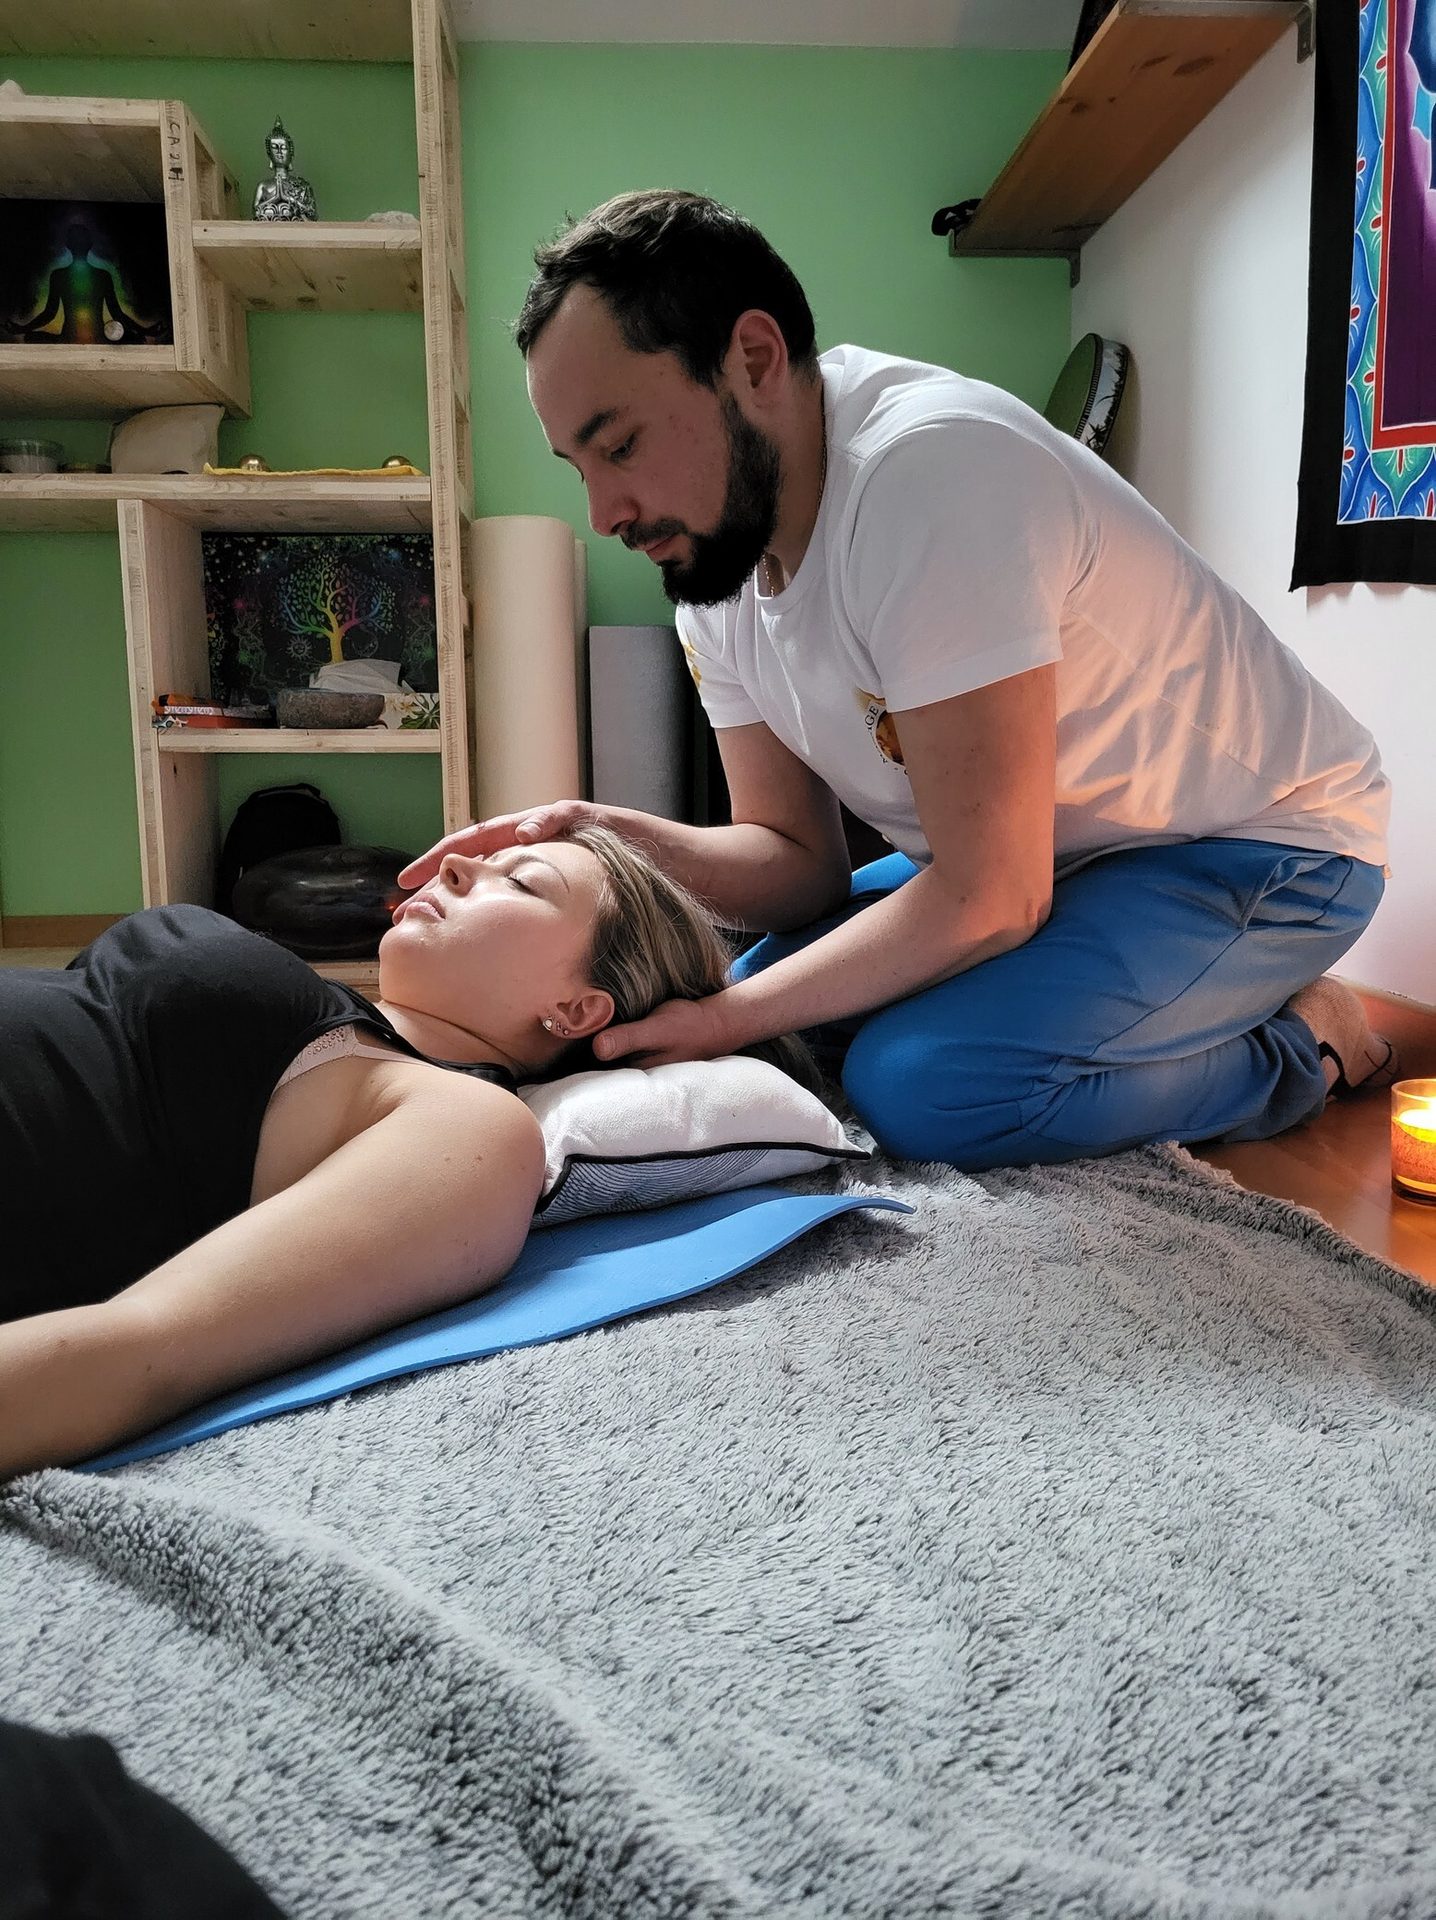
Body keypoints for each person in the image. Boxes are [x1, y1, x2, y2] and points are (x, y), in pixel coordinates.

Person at [401, 187, 1397, 1175]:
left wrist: (733, 1014)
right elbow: (796, 861)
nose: (603, 509)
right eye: (580, 465)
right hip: (1043, 856)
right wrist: (611, 831)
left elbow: (990, 896)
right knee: (757, 1032)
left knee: (925, 1083)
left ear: (750, 360)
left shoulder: (928, 479)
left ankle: (1297, 1044)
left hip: (1260, 851)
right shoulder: (713, 568)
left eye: (619, 445)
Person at [0, 825, 806, 1478]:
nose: (453, 865)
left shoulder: (472, 1128)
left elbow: (148, 1345)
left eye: (519, 882)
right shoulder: (339, 1016)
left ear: (577, 1008)